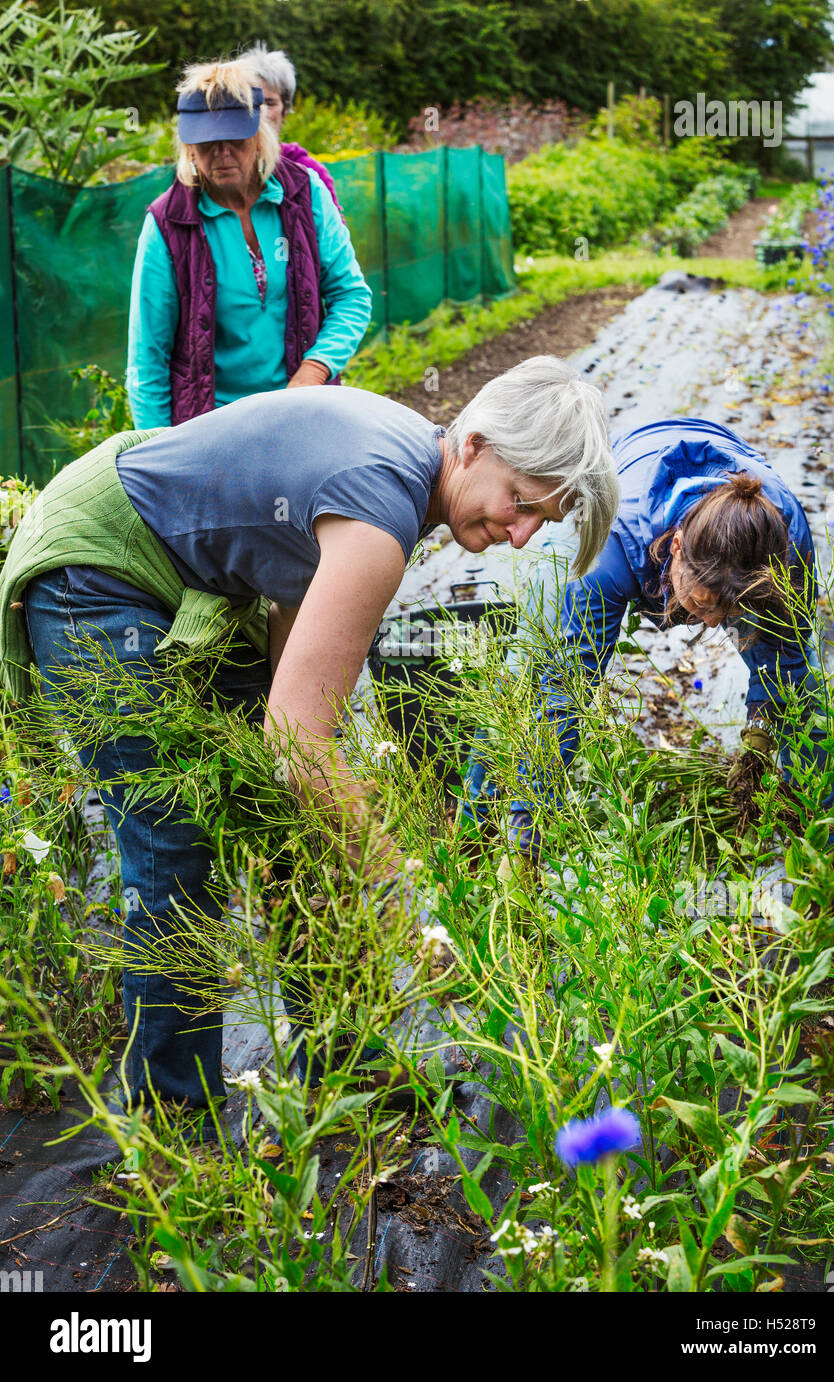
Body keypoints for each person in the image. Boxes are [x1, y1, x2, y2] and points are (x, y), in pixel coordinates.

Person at [0, 359, 619, 1118]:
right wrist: (410, 905)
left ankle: (339, 1059)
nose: (520, 536)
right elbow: (302, 744)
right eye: (520, 502)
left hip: (183, 572)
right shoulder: (379, 514)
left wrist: (315, 792)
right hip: (96, 567)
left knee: (289, 814)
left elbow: (291, 681)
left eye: (541, 523)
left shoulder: (413, 477)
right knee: (174, 836)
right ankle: (171, 1115)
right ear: (475, 444)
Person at [461, 417, 834, 954]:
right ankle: (475, 842)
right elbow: (563, 700)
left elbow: (786, 672)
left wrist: (761, 737)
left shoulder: (783, 543)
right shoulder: (605, 549)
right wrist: (526, 833)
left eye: (732, 611)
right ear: (674, 549)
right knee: (531, 683)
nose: (715, 625)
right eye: (702, 605)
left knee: (803, 708)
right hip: (623, 499)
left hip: (733, 529)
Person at [126, 61, 371, 429]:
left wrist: (313, 372)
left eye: (235, 139)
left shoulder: (304, 194)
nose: (222, 153)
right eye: (207, 143)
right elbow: (148, 360)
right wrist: (156, 450)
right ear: (189, 147)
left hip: (303, 411)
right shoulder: (168, 225)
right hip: (211, 427)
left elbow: (351, 296)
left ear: (258, 135)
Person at [235, 42, 345, 220]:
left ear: (285, 110)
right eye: (254, 102)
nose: (262, 111)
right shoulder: (225, 166)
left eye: (270, 103)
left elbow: (333, 238)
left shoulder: (309, 172)